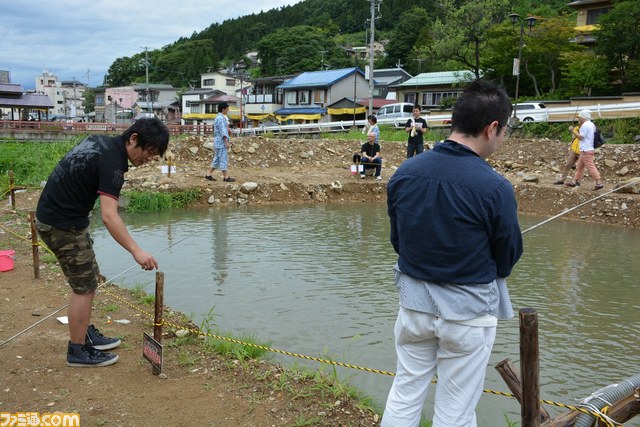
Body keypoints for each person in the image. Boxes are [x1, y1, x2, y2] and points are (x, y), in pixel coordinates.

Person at [382, 80, 523, 427]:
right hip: (468, 315)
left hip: (414, 307)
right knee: (456, 410)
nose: (502, 139)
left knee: (405, 390)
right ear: (492, 128)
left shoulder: (405, 173)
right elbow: (507, 257)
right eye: (503, 131)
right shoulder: (495, 187)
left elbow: (399, 242)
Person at [35, 118, 169, 367]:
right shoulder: (113, 164)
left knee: (89, 277)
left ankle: (84, 331)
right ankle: (77, 350)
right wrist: (136, 251)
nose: (149, 159)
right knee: (83, 287)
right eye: (149, 152)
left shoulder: (104, 143)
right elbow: (109, 215)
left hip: (61, 218)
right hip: (61, 225)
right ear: (133, 139)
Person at [565, 109, 603, 190]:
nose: (578, 119)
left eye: (579, 117)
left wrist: (572, 131)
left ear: (583, 117)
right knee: (579, 167)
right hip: (586, 150)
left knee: (591, 167)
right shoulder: (591, 124)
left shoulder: (585, 125)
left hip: (586, 150)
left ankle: (599, 183)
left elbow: (580, 137)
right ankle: (574, 182)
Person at [205, 102, 236, 182]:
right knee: (223, 158)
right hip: (221, 142)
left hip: (218, 141)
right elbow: (223, 131)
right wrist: (226, 141)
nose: (228, 109)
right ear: (223, 108)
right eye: (227, 108)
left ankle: (208, 174)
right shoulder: (221, 118)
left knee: (217, 159)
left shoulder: (220, 117)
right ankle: (226, 177)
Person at [554, 120, 581, 185]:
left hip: (582, 151)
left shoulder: (586, 128)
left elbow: (581, 137)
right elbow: (574, 137)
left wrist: (573, 131)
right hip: (574, 149)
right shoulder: (576, 128)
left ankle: (577, 181)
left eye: (580, 120)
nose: (579, 121)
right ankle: (562, 180)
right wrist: (573, 131)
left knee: (580, 167)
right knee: (568, 165)